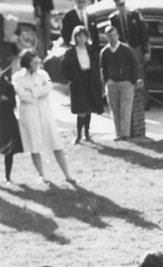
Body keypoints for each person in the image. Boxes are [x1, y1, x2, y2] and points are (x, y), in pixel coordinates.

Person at [11, 50, 75, 185]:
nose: (38, 64)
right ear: (27, 64)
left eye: (38, 62)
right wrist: (36, 93)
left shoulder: (43, 74)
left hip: (45, 113)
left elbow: (48, 88)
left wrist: (33, 91)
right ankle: (42, 175)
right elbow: (22, 96)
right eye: (35, 63)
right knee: (34, 145)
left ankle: (68, 175)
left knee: (56, 143)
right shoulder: (18, 77)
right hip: (29, 114)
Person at [61, 25, 103, 145]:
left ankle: (87, 133)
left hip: (90, 79)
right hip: (78, 81)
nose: (81, 39)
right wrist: (72, 78)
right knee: (81, 109)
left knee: (89, 108)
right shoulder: (70, 52)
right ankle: (79, 134)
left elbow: (96, 65)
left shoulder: (91, 50)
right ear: (75, 38)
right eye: (79, 36)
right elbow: (64, 68)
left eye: (84, 36)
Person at [99, 23, 139, 141]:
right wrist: (106, 82)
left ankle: (125, 134)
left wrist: (133, 81)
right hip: (112, 83)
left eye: (114, 35)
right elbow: (103, 68)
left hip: (126, 83)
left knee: (125, 109)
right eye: (109, 35)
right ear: (106, 37)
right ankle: (118, 133)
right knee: (115, 109)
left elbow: (134, 65)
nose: (112, 38)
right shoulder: (105, 52)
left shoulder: (126, 49)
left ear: (118, 35)